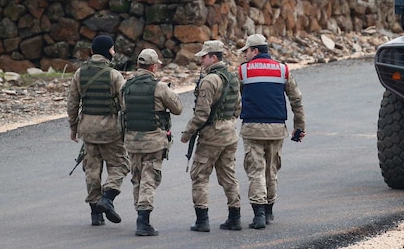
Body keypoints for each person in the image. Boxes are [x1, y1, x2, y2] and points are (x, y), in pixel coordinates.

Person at [237, 33, 306, 229]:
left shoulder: (243, 72)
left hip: (252, 129)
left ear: (255, 50)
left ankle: (258, 214)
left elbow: (235, 100)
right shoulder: (283, 70)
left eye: (247, 51)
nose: (244, 55)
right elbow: (296, 99)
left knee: (255, 170)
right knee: (272, 170)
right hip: (277, 129)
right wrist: (299, 127)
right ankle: (269, 212)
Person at [66, 34, 130, 226]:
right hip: (110, 130)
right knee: (120, 165)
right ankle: (107, 197)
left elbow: (72, 103)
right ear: (107, 51)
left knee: (92, 170)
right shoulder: (114, 75)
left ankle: (95, 213)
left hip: (87, 129)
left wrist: (73, 128)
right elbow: (125, 103)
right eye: (112, 49)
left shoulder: (80, 73)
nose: (114, 52)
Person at [180, 40, 242, 233]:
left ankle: (202, 220)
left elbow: (201, 114)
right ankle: (235, 218)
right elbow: (238, 107)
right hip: (230, 132)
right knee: (228, 176)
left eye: (204, 57)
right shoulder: (232, 78)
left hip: (211, 134)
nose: (201, 60)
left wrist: (187, 134)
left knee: (199, 176)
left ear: (213, 57)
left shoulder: (209, 80)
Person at [120, 48, 183, 236]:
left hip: (132, 141)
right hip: (154, 140)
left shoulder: (126, 85)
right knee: (149, 178)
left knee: (137, 178)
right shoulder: (160, 87)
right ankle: (143, 220)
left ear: (138, 65)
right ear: (153, 67)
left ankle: (140, 215)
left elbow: (123, 108)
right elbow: (178, 108)